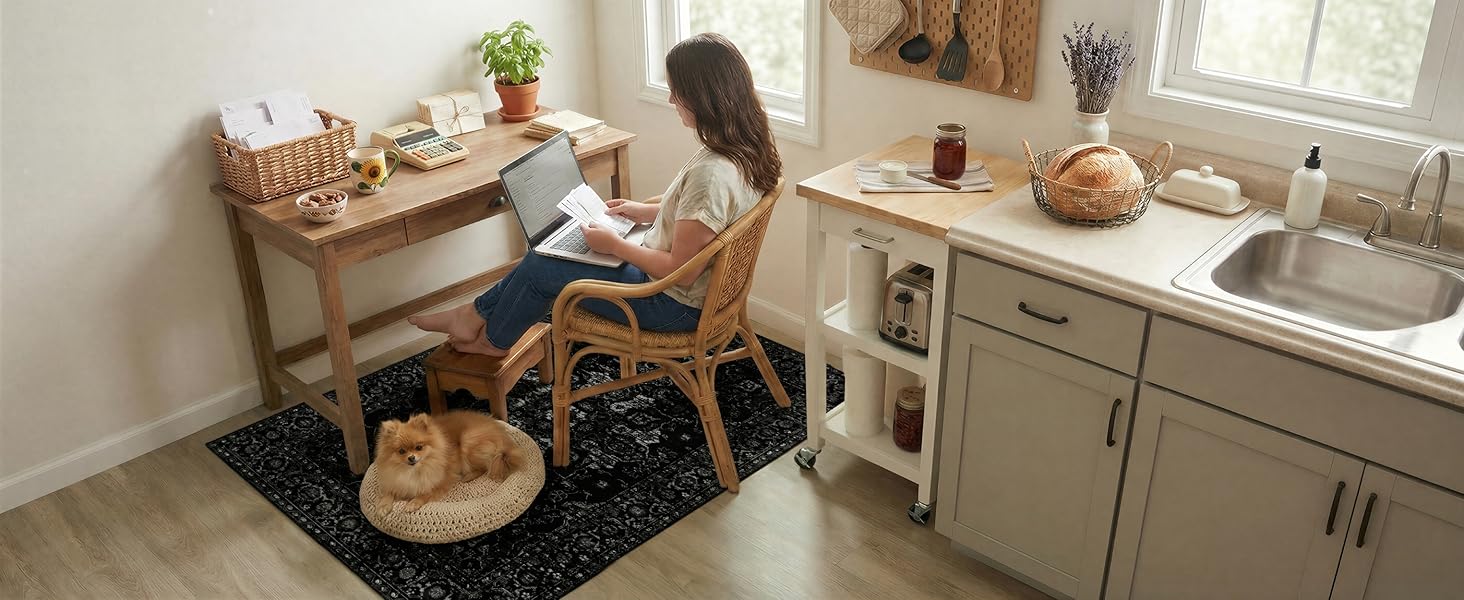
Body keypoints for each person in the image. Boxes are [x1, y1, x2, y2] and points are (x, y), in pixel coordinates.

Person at [410, 32, 782, 356]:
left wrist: (614, 246)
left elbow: (681, 273)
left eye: (676, 91)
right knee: (550, 252)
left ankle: (491, 341)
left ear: (702, 97)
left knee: (541, 265)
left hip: (671, 305)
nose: (671, 100)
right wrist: (643, 211)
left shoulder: (711, 172)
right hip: (695, 296)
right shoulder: (747, 147)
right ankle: (473, 316)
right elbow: (705, 222)